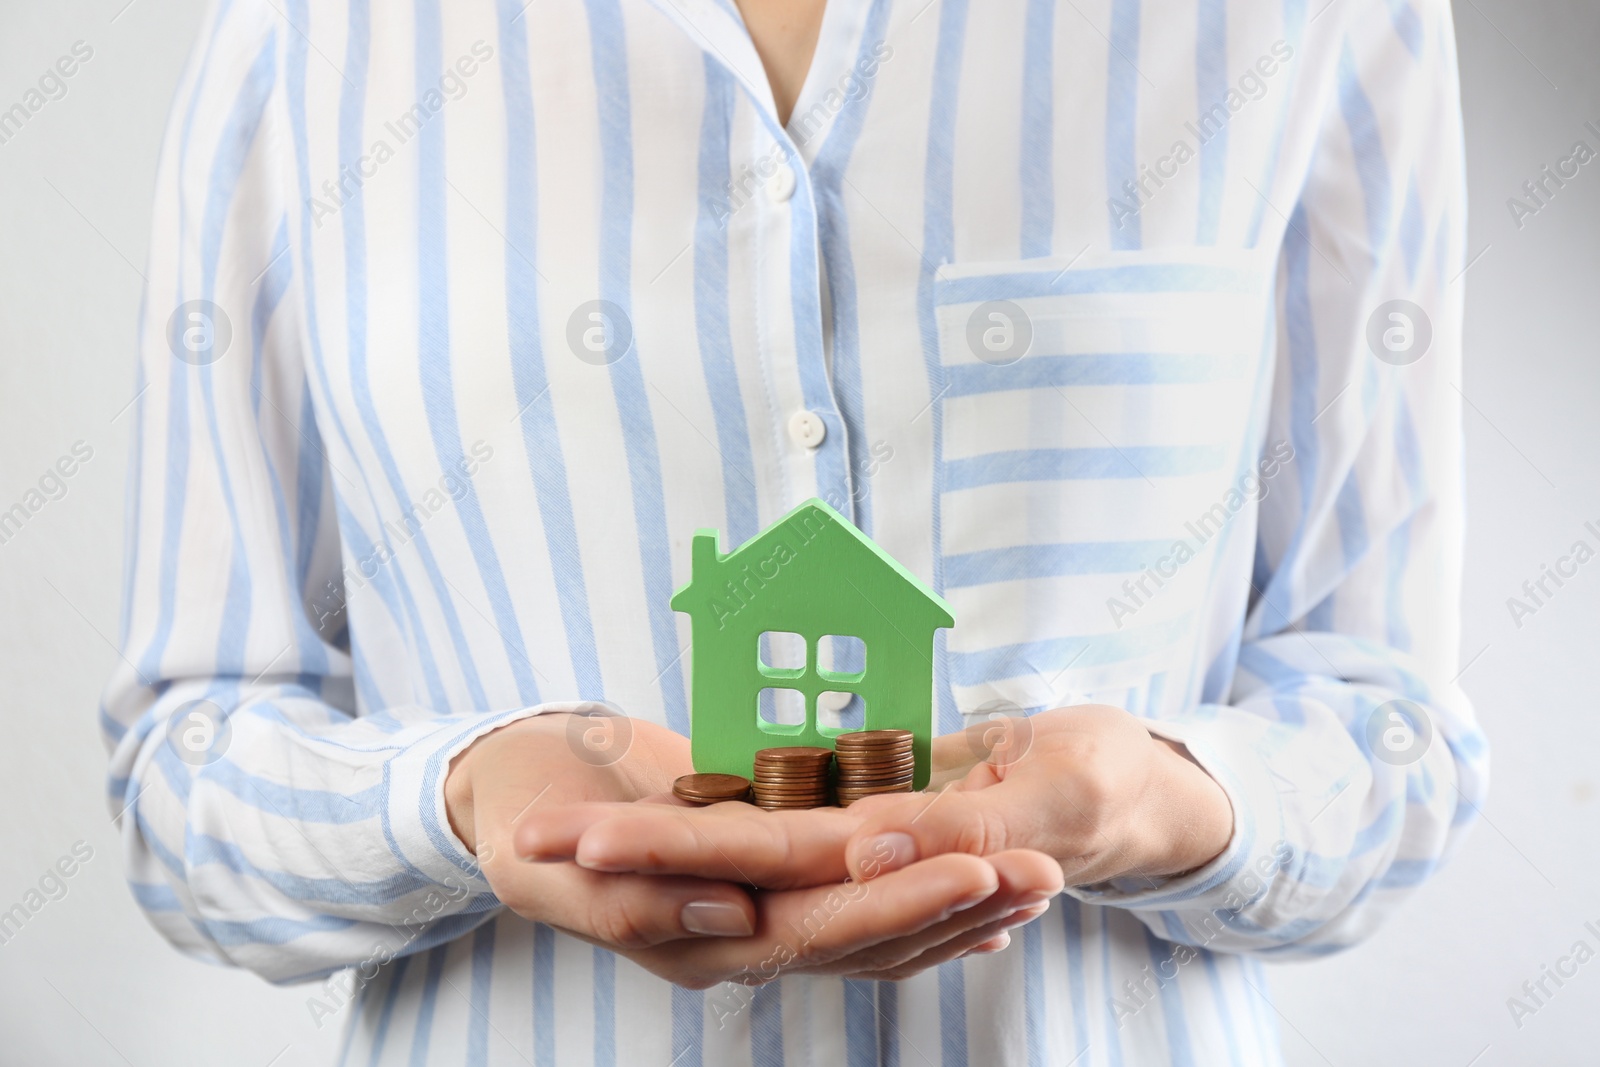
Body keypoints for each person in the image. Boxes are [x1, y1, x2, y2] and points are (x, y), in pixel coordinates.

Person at [102, 0, 1486, 1062]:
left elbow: (1389, 734)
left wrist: (1164, 802)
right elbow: (188, 775)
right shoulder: (313, 35)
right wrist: (451, 802)